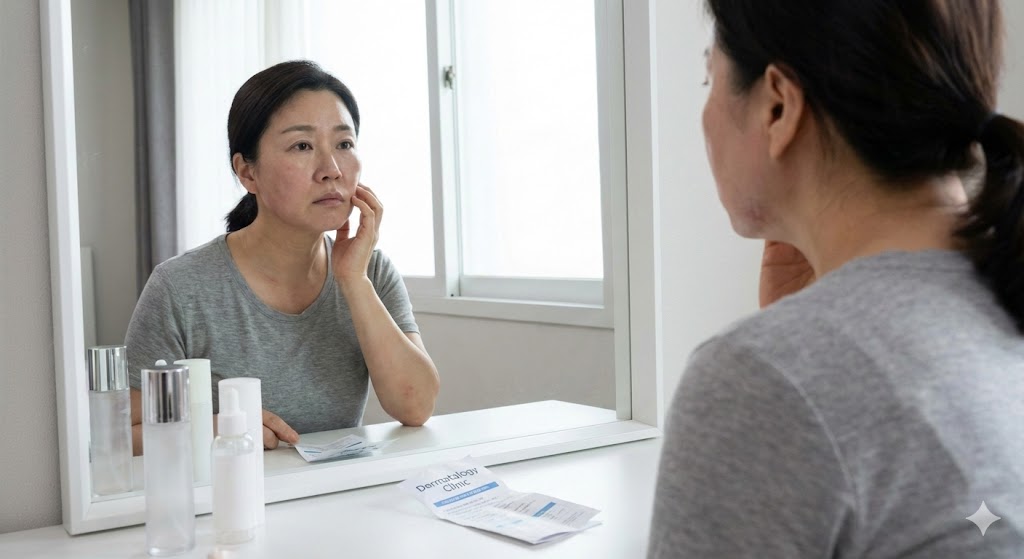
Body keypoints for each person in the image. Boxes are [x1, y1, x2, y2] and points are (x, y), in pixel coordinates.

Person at [649, 1, 1024, 557]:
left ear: (778, 106)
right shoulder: (1002, 298)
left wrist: (784, 353)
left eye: (710, 78)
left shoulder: (761, 377)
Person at [125, 60, 439, 455]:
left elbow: (415, 407)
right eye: (302, 146)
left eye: (344, 144)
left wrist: (353, 282)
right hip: (230, 490)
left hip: (335, 489)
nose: (331, 170)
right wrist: (211, 429)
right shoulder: (180, 288)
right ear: (247, 173)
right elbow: (123, 434)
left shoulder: (370, 271)